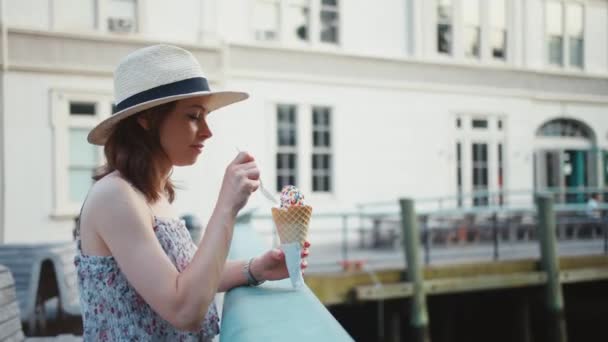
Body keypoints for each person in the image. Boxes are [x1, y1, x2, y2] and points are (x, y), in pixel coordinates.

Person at [74, 45, 311, 341]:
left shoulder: (151, 193)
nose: (207, 131)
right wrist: (227, 206)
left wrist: (256, 268)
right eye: (193, 116)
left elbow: (184, 280)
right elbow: (184, 310)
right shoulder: (114, 196)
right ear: (146, 119)